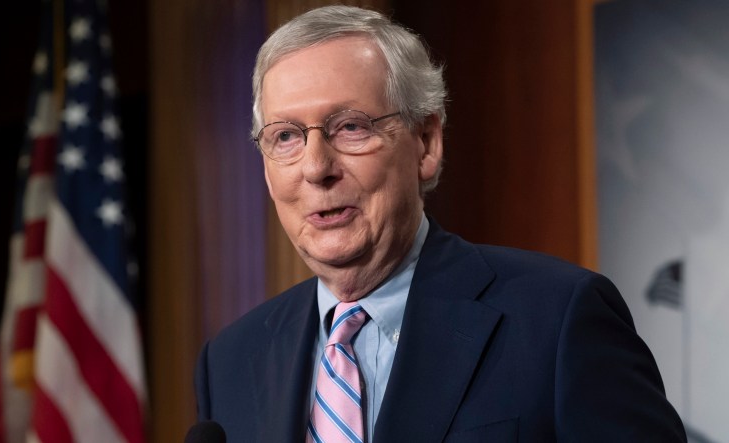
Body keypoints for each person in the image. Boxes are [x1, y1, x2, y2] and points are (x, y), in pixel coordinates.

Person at [193, 5, 686, 442]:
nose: (316, 167)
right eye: (285, 137)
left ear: (426, 143)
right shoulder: (231, 362)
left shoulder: (558, 321)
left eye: (350, 127)